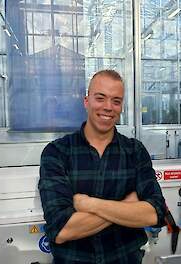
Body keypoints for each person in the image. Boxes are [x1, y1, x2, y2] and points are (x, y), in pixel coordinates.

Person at [38, 69, 166, 264]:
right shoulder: (57, 153)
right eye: (100, 98)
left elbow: (155, 212)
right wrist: (127, 206)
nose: (108, 107)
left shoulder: (134, 152)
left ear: (121, 106)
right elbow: (61, 230)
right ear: (86, 101)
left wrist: (91, 205)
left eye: (116, 101)